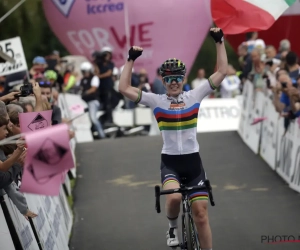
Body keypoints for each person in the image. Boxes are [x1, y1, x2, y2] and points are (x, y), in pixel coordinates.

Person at [118, 27, 228, 250]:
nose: (174, 82)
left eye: (178, 78)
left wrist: (219, 41)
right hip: (171, 163)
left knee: (201, 215)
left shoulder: (194, 95)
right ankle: (172, 227)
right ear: (163, 80)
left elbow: (223, 71)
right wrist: (130, 59)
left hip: (193, 161)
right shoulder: (156, 100)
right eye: (169, 79)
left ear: (184, 78)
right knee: (174, 198)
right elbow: (123, 87)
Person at [80, 62, 106, 139]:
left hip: (93, 101)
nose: (85, 73)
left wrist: (85, 92)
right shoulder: (83, 79)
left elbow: (94, 88)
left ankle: (102, 135)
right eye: (83, 72)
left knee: (93, 118)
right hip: (84, 101)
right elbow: (78, 86)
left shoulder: (94, 78)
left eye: (86, 71)